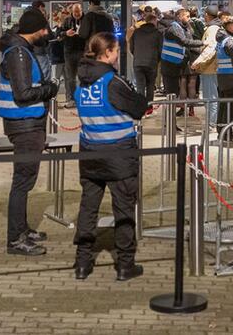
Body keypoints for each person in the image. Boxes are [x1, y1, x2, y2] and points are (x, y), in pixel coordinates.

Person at [73, 32, 148, 281]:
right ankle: (125, 264)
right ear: (107, 54)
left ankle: (82, 263)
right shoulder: (113, 82)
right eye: (116, 51)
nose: (118, 55)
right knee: (124, 208)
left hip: (90, 151)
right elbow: (139, 105)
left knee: (88, 207)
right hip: (119, 154)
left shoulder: (81, 81)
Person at [0, 8, 59, 255]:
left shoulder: (20, 49)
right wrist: (50, 90)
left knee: (25, 180)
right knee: (22, 182)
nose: (47, 34)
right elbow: (22, 94)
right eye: (45, 29)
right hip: (24, 124)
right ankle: (16, 239)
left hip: (26, 123)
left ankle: (22, 228)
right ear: (36, 30)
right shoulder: (19, 52)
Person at [160, 7, 204, 118]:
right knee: (172, 95)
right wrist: (202, 43)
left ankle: (172, 123)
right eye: (187, 16)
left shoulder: (183, 28)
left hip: (176, 65)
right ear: (180, 16)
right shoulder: (174, 28)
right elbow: (184, 42)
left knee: (176, 92)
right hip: (170, 66)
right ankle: (170, 124)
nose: (189, 19)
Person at [191, 5, 223, 127]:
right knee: (212, 96)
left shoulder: (212, 29)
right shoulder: (216, 27)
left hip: (210, 68)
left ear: (207, 15)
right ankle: (213, 121)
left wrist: (198, 62)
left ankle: (212, 123)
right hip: (212, 67)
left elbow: (211, 48)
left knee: (211, 97)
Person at [129, 11, 163, 97]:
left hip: (138, 63)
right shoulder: (158, 33)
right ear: (154, 20)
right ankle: (149, 107)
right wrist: (157, 60)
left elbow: (131, 48)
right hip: (152, 63)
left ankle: (141, 107)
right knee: (150, 86)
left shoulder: (136, 32)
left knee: (140, 86)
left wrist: (137, 56)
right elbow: (160, 50)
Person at [59, 4, 84, 108]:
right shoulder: (67, 20)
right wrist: (66, 33)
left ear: (81, 10)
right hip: (69, 52)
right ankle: (71, 99)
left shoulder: (86, 20)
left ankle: (83, 99)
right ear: (72, 12)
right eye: (75, 12)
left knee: (83, 76)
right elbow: (59, 33)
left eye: (78, 12)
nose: (77, 14)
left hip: (83, 51)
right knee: (70, 78)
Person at [28, 1, 52, 79]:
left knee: (33, 73)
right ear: (40, 7)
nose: (43, 11)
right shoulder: (41, 19)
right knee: (44, 73)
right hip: (40, 51)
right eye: (43, 9)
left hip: (30, 51)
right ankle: (43, 89)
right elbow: (48, 35)